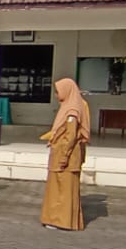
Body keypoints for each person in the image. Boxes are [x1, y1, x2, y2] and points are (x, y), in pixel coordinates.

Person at [41, 78, 90, 232]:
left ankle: (61, 220)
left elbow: (70, 136)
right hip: (63, 153)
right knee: (61, 187)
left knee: (63, 189)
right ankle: (59, 219)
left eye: (58, 91)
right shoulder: (69, 107)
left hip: (66, 156)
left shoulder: (72, 110)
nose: (56, 95)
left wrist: (64, 157)